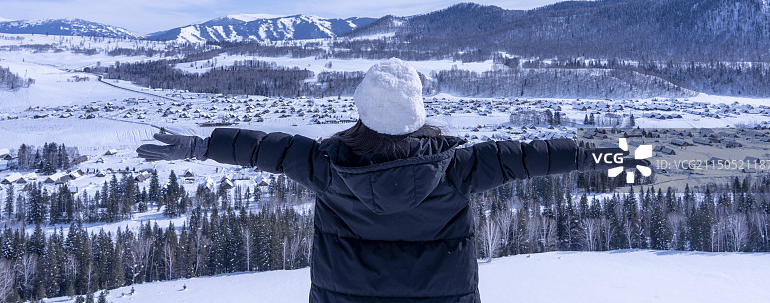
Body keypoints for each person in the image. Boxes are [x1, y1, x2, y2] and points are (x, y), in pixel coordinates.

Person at [138, 58, 646, 302]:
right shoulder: (460, 168)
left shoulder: (326, 165)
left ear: (362, 114)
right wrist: (624, 158)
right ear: (417, 115)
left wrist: (202, 145)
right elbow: (537, 157)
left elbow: (262, 148)